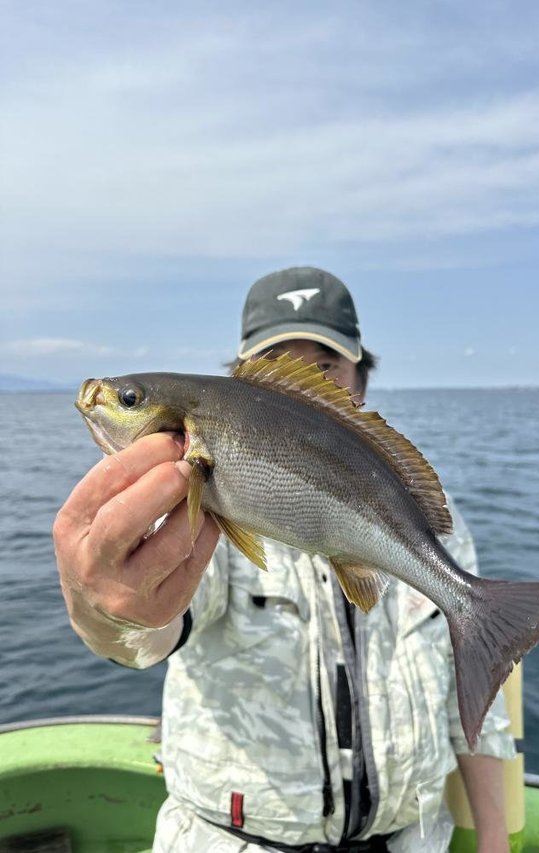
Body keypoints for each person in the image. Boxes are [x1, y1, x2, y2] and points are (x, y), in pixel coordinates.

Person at [54, 267, 515, 853]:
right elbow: (147, 634)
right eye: (276, 363)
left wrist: (495, 841)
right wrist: (105, 611)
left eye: (325, 365)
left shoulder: (427, 528)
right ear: (243, 377)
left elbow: (474, 703)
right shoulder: (187, 523)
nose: (305, 380)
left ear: (361, 379)